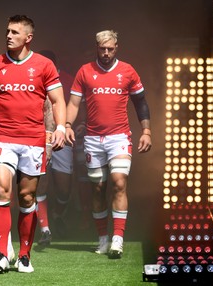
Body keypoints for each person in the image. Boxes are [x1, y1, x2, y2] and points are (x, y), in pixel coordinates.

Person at [0, 15, 66, 273]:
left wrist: (61, 128)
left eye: (15, 32)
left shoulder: (44, 65)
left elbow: (57, 101)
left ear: (28, 38)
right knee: (1, 190)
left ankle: (24, 256)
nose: (8, 36)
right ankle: (0, 254)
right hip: (3, 139)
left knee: (27, 197)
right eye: (7, 31)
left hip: (33, 142)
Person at [65, 30, 152, 259]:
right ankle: (103, 238)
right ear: (97, 48)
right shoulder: (85, 71)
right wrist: (66, 125)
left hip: (119, 138)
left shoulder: (128, 71)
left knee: (119, 182)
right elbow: (73, 103)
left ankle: (117, 239)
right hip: (93, 140)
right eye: (102, 49)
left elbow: (140, 102)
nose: (106, 53)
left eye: (110, 49)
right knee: (97, 188)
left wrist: (146, 131)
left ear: (117, 47)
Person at [35, 50, 75, 244]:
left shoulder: (67, 80)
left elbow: (75, 105)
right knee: (40, 183)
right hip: (37, 138)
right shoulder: (33, 78)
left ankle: (58, 214)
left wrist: (68, 126)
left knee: (63, 188)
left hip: (60, 138)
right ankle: (45, 229)